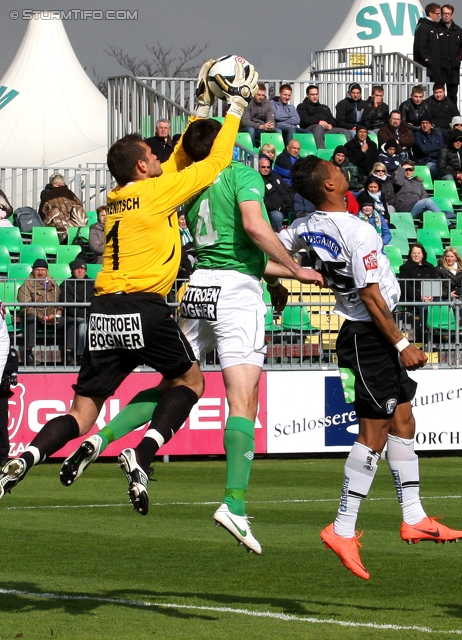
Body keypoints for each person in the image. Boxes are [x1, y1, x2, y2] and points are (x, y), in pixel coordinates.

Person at [0, 60, 260, 511]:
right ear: (143, 166)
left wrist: (199, 107)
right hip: (144, 305)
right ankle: (143, 451)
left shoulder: (120, 196)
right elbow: (214, 159)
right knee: (190, 381)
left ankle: (27, 455)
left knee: (82, 412)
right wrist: (234, 107)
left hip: (103, 310)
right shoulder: (158, 193)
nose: (162, 157)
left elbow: (177, 160)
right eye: (153, 156)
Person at [58, 119, 324, 555]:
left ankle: (100, 440)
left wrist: (276, 275)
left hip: (199, 285)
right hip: (236, 293)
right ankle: (234, 505)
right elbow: (256, 230)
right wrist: (295, 269)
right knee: (243, 400)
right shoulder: (240, 174)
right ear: (224, 144)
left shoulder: (186, 183)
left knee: (175, 381)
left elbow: (235, 248)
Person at [286, 155, 462, 581]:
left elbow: (268, 244)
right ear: (328, 186)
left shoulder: (303, 227)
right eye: (334, 171)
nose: (340, 172)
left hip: (372, 332)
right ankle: (342, 527)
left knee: (404, 419)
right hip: (370, 335)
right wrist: (401, 342)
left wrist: (280, 277)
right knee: (375, 431)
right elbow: (369, 296)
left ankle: (414, 515)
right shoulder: (357, 230)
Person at [17, 259, 64, 366]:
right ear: (33, 271)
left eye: (43, 270)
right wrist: (43, 317)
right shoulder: (26, 285)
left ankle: (71, 355)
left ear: (47, 271)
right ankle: (29, 354)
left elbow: (61, 300)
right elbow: (26, 307)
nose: (40, 272)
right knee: (30, 320)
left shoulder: (54, 284)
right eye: (37, 270)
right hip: (36, 317)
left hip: (52, 317)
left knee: (71, 322)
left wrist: (58, 313)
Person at [399, 243, 439, 341]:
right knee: (424, 306)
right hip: (413, 297)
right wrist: (420, 296)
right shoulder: (405, 268)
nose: (416, 255)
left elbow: (435, 282)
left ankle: (440, 329)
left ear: (423, 254)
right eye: (414, 253)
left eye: (418, 253)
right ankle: (426, 332)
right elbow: (407, 287)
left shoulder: (430, 266)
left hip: (429, 296)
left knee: (442, 302)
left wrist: (432, 295)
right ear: (410, 254)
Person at [62, 258, 95, 366]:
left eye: (82, 269)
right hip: (75, 315)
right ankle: (80, 355)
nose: (80, 271)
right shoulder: (66, 284)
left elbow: (95, 301)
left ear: (86, 271)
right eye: (77, 269)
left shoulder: (92, 284)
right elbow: (68, 304)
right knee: (82, 326)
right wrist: (83, 314)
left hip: (90, 315)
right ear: (72, 271)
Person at [296, 85, 351, 149]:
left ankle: (349, 152)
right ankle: (322, 151)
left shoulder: (324, 107)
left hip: (325, 130)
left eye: (316, 94)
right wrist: (318, 121)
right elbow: (303, 119)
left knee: (344, 131)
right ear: (307, 95)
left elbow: (332, 119)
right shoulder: (302, 106)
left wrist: (331, 125)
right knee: (318, 127)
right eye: (312, 94)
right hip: (310, 129)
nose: (315, 96)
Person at [38, 173, 87, 243]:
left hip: (70, 222)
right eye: (57, 184)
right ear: (52, 184)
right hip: (58, 223)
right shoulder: (46, 193)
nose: (60, 187)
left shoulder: (69, 194)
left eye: (62, 184)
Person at [259, 155, 294, 231]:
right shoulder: (258, 180)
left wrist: (293, 202)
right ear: (258, 167)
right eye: (263, 167)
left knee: (300, 212)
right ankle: (277, 239)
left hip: (288, 207)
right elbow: (263, 199)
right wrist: (278, 208)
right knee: (276, 216)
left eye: (268, 167)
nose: (266, 169)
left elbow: (288, 189)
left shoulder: (276, 176)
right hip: (274, 210)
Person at [240, 82, 279, 147]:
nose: (261, 97)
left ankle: (275, 153)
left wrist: (270, 125)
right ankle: (252, 152)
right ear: (254, 93)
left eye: (263, 95)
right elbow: (245, 121)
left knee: (278, 131)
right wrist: (260, 126)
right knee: (251, 130)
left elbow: (271, 118)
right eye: (258, 95)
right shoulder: (247, 103)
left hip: (263, 128)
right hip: (249, 128)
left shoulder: (268, 104)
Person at [413, 3, 444, 81]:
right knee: (426, 91)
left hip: (435, 69)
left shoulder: (435, 27)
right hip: (426, 69)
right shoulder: (423, 27)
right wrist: (429, 61)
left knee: (434, 91)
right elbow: (420, 47)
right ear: (430, 13)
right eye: (437, 13)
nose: (439, 16)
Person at [439, 4, 462, 105]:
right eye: (444, 13)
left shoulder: (458, 30)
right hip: (440, 68)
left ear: (452, 15)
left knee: (452, 94)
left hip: (454, 68)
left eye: (448, 14)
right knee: (438, 93)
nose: (446, 16)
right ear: (441, 14)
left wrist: (458, 58)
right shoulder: (436, 29)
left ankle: (452, 117)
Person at [412, 114, 445, 179]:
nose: (425, 125)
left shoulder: (437, 135)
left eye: (427, 123)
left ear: (431, 125)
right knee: (433, 168)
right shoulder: (417, 135)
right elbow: (424, 150)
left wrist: (431, 153)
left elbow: (442, 149)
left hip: (437, 160)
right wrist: (436, 148)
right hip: (424, 161)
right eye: (422, 123)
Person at [0, 347, 17, 467]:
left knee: (1, 425)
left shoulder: (10, 352)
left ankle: (3, 455)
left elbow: (13, 369)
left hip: (1, 392)